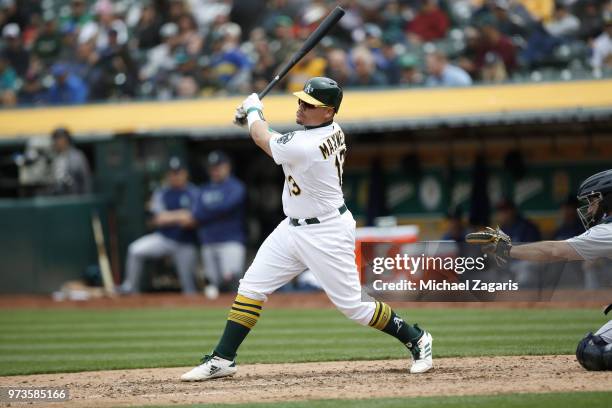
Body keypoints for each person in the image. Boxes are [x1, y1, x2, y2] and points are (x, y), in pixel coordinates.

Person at [180, 77, 433, 382]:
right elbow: (275, 140)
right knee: (251, 287)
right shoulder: (327, 132)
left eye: (310, 105)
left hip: (326, 231)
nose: (301, 107)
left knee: (354, 307)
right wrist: (252, 119)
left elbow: (266, 139)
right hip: (292, 228)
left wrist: (252, 110)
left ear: (328, 112)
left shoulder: (308, 143)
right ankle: (223, 358)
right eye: (301, 101)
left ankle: (417, 338)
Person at [466, 169, 612, 371]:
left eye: (594, 201)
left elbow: (553, 251)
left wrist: (507, 249)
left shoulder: (607, 231)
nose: (589, 210)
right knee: (590, 349)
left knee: (596, 353)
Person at [118, 157, 199, 295]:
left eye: (178, 172)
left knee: (189, 287)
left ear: (185, 173)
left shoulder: (194, 192)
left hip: (185, 243)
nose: (175, 176)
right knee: (135, 250)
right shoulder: (162, 192)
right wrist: (181, 214)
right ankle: (130, 288)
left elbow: (193, 219)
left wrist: (170, 217)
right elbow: (159, 219)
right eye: (172, 173)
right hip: (164, 238)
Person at [191, 151, 247, 299]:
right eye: (212, 167)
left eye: (218, 166)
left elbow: (227, 207)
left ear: (227, 167)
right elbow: (197, 214)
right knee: (212, 287)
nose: (215, 170)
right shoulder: (203, 189)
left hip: (231, 241)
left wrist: (208, 211)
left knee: (232, 279)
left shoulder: (236, 186)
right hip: (208, 242)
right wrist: (215, 211)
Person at [48, 127, 92, 195]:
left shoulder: (77, 156)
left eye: (60, 138)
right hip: (56, 197)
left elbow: (85, 180)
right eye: (56, 139)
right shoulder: (51, 156)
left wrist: (85, 198)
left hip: (74, 197)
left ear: (67, 140)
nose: (57, 142)